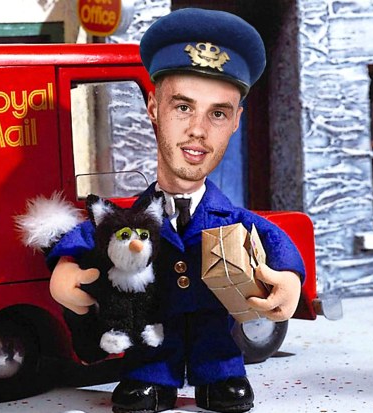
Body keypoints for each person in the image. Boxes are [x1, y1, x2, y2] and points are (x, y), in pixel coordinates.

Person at [48, 8, 304, 413]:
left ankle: (220, 377)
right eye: (183, 107)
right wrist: (65, 273)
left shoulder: (231, 218)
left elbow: (274, 238)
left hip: (217, 344)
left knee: (218, 354)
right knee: (150, 356)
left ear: (237, 121)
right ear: (153, 107)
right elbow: (85, 238)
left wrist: (289, 279)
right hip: (151, 340)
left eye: (218, 113)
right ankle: (153, 380)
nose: (198, 130)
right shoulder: (129, 219)